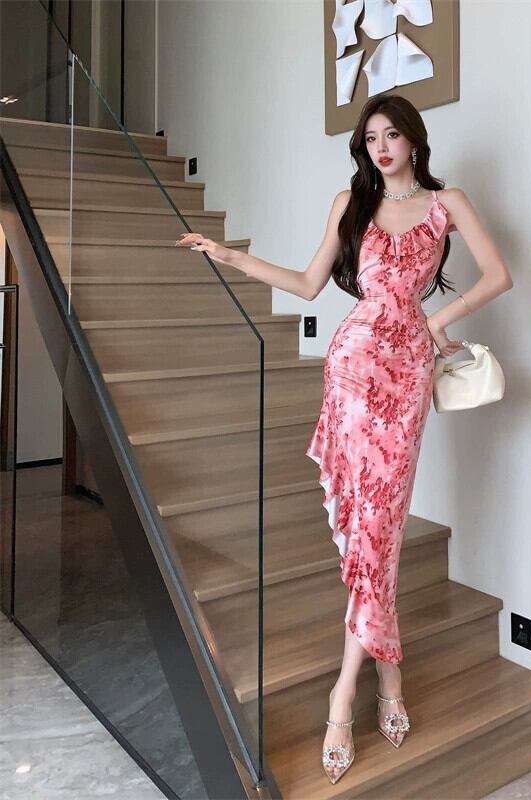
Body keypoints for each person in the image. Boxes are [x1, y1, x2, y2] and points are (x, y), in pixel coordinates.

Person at [176, 93, 513, 785]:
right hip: (353, 366)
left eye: (392, 135)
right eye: (371, 138)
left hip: (406, 375)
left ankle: (348, 688)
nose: (381, 147)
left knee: (381, 526)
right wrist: (228, 257)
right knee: (366, 527)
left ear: (414, 140)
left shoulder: (448, 202)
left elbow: (499, 276)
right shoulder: (350, 203)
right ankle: (384, 679)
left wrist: (433, 321)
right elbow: (308, 284)